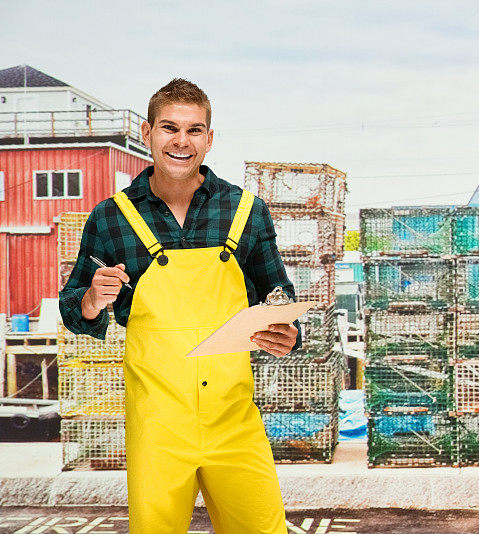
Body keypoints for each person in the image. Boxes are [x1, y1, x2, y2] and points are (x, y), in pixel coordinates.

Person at [59, 78, 300, 534]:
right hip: (158, 426)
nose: (181, 141)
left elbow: (278, 293)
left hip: (235, 420)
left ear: (209, 139)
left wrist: (286, 330)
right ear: (147, 133)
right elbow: (74, 309)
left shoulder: (246, 210)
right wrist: (92, 299)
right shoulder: (111, 217)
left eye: (194, 130)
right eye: (169, 128)